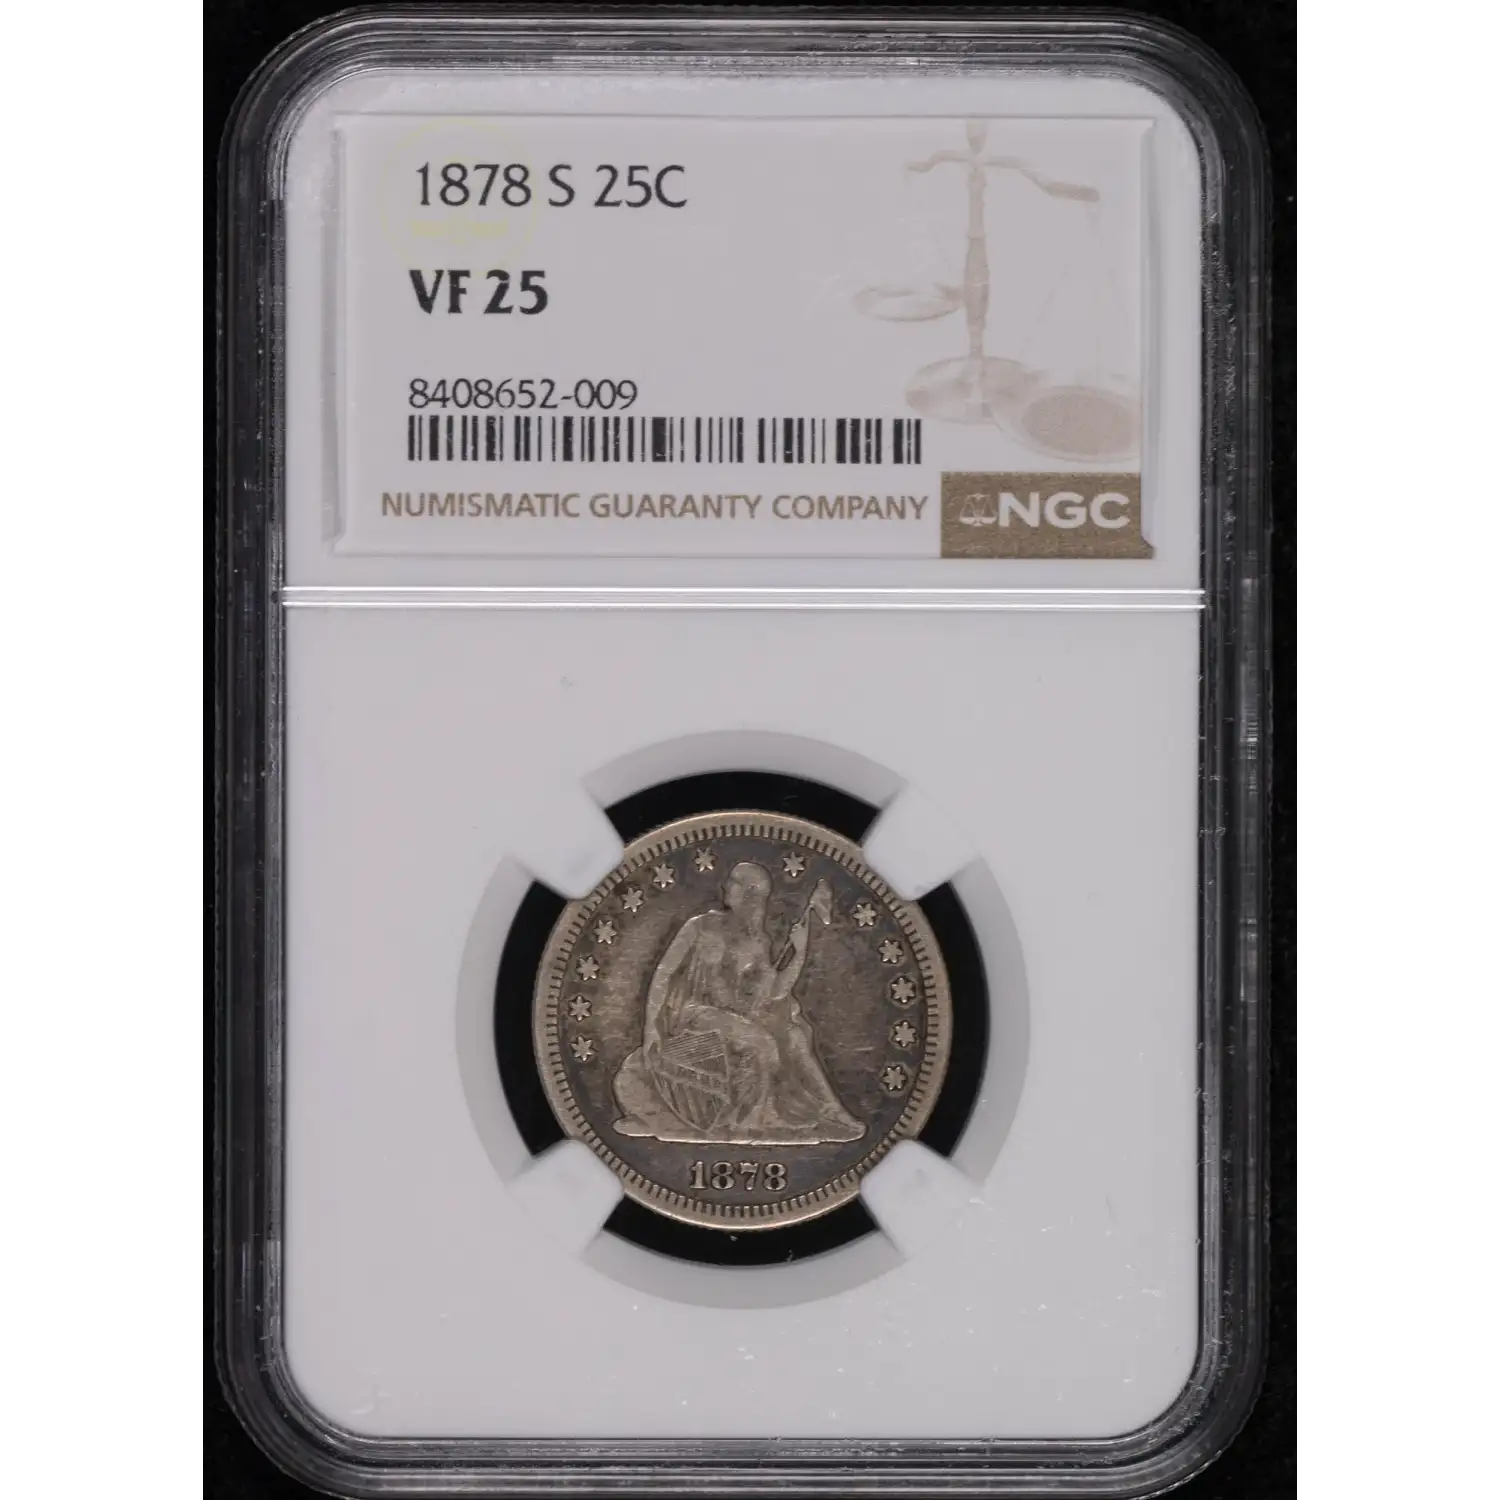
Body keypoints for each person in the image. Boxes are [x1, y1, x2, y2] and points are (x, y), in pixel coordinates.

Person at [612, 861, 866, 1144]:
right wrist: (651, 1027)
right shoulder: (700, 927)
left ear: (751, 896)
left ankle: (832, 1112)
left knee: (794, 1036)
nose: (726, 887)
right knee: (760, 1043)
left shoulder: (758, 943)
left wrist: (799, 950)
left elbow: (775, 992)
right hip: (696, 1013)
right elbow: (664, 974)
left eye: (734, 883)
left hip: (735, 1017)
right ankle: (746, 1124)